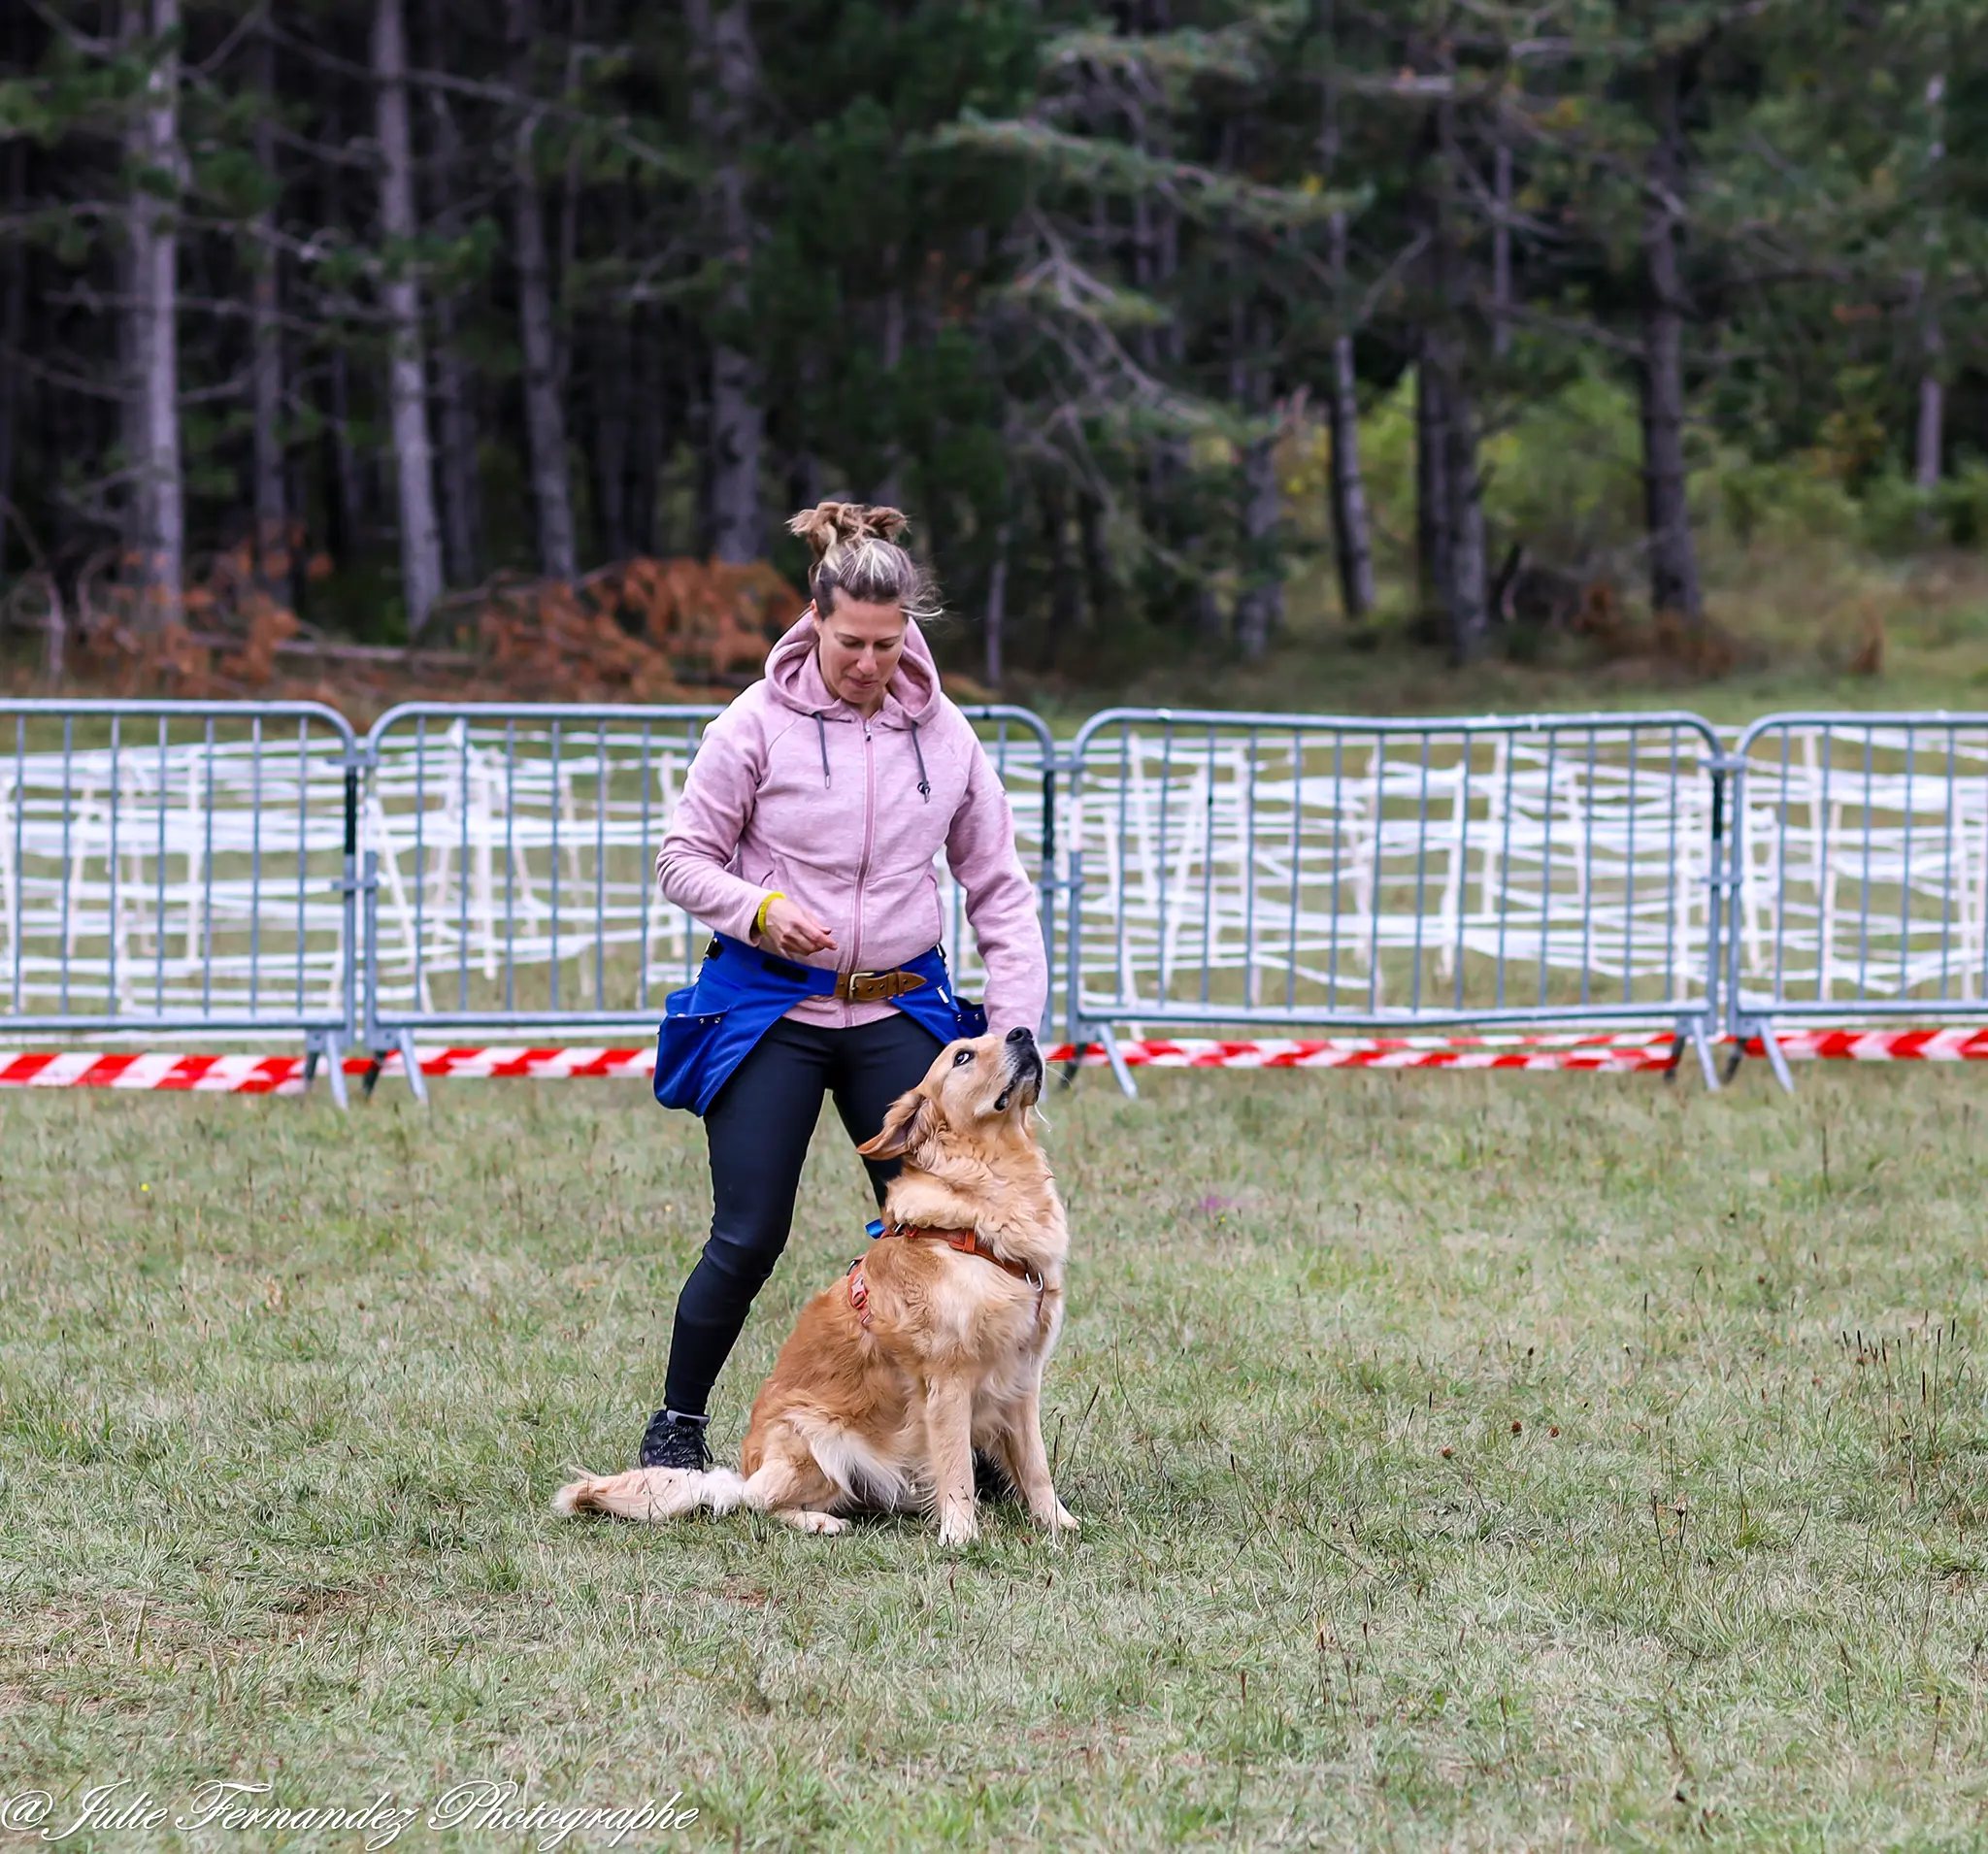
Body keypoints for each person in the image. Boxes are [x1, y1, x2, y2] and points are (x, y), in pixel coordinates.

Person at [636, 501, 1048, 1472]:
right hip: (770, 1005)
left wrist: (1015, 1029)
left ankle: (974, 1442)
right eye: (850, 642)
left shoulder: (944, 737)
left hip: (899, 1003)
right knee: (748, 1233)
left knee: (963, 1234)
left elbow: (998, 888)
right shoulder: (753, 725)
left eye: (887, 641)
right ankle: (678, 1422)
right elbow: (681, 857)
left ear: (911, 628)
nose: (868, 663)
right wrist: (760, 908)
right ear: (814, 619)